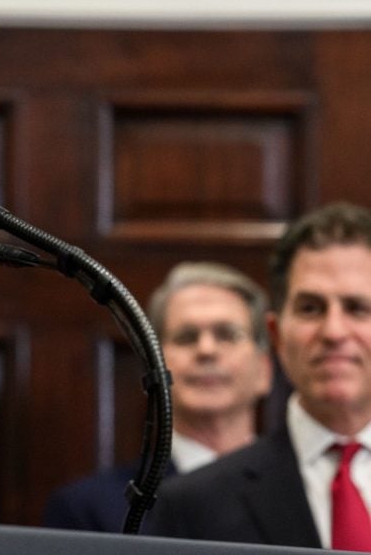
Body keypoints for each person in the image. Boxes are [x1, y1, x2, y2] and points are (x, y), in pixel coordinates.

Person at [149, 202, 371, 550]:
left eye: (357, 308)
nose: (333, 331)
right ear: (276, 334)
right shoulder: (192, 504)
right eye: (310, 308)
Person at [42, 261, 273, 532]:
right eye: (186, 337)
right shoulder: (88, 510)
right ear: (153, 367)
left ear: (264, 370)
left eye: (226, 335)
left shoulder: (301, 492)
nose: (206, 350)